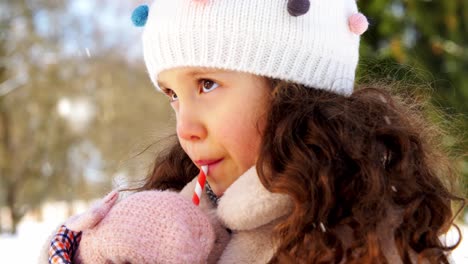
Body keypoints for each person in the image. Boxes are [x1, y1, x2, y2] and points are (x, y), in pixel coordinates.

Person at [43, 0, 464, 263]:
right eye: (172, 94)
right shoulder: (185, 208)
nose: (184, 127)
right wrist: (93, 252)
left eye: (206, 85)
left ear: (294, 92)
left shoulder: (361, 237)